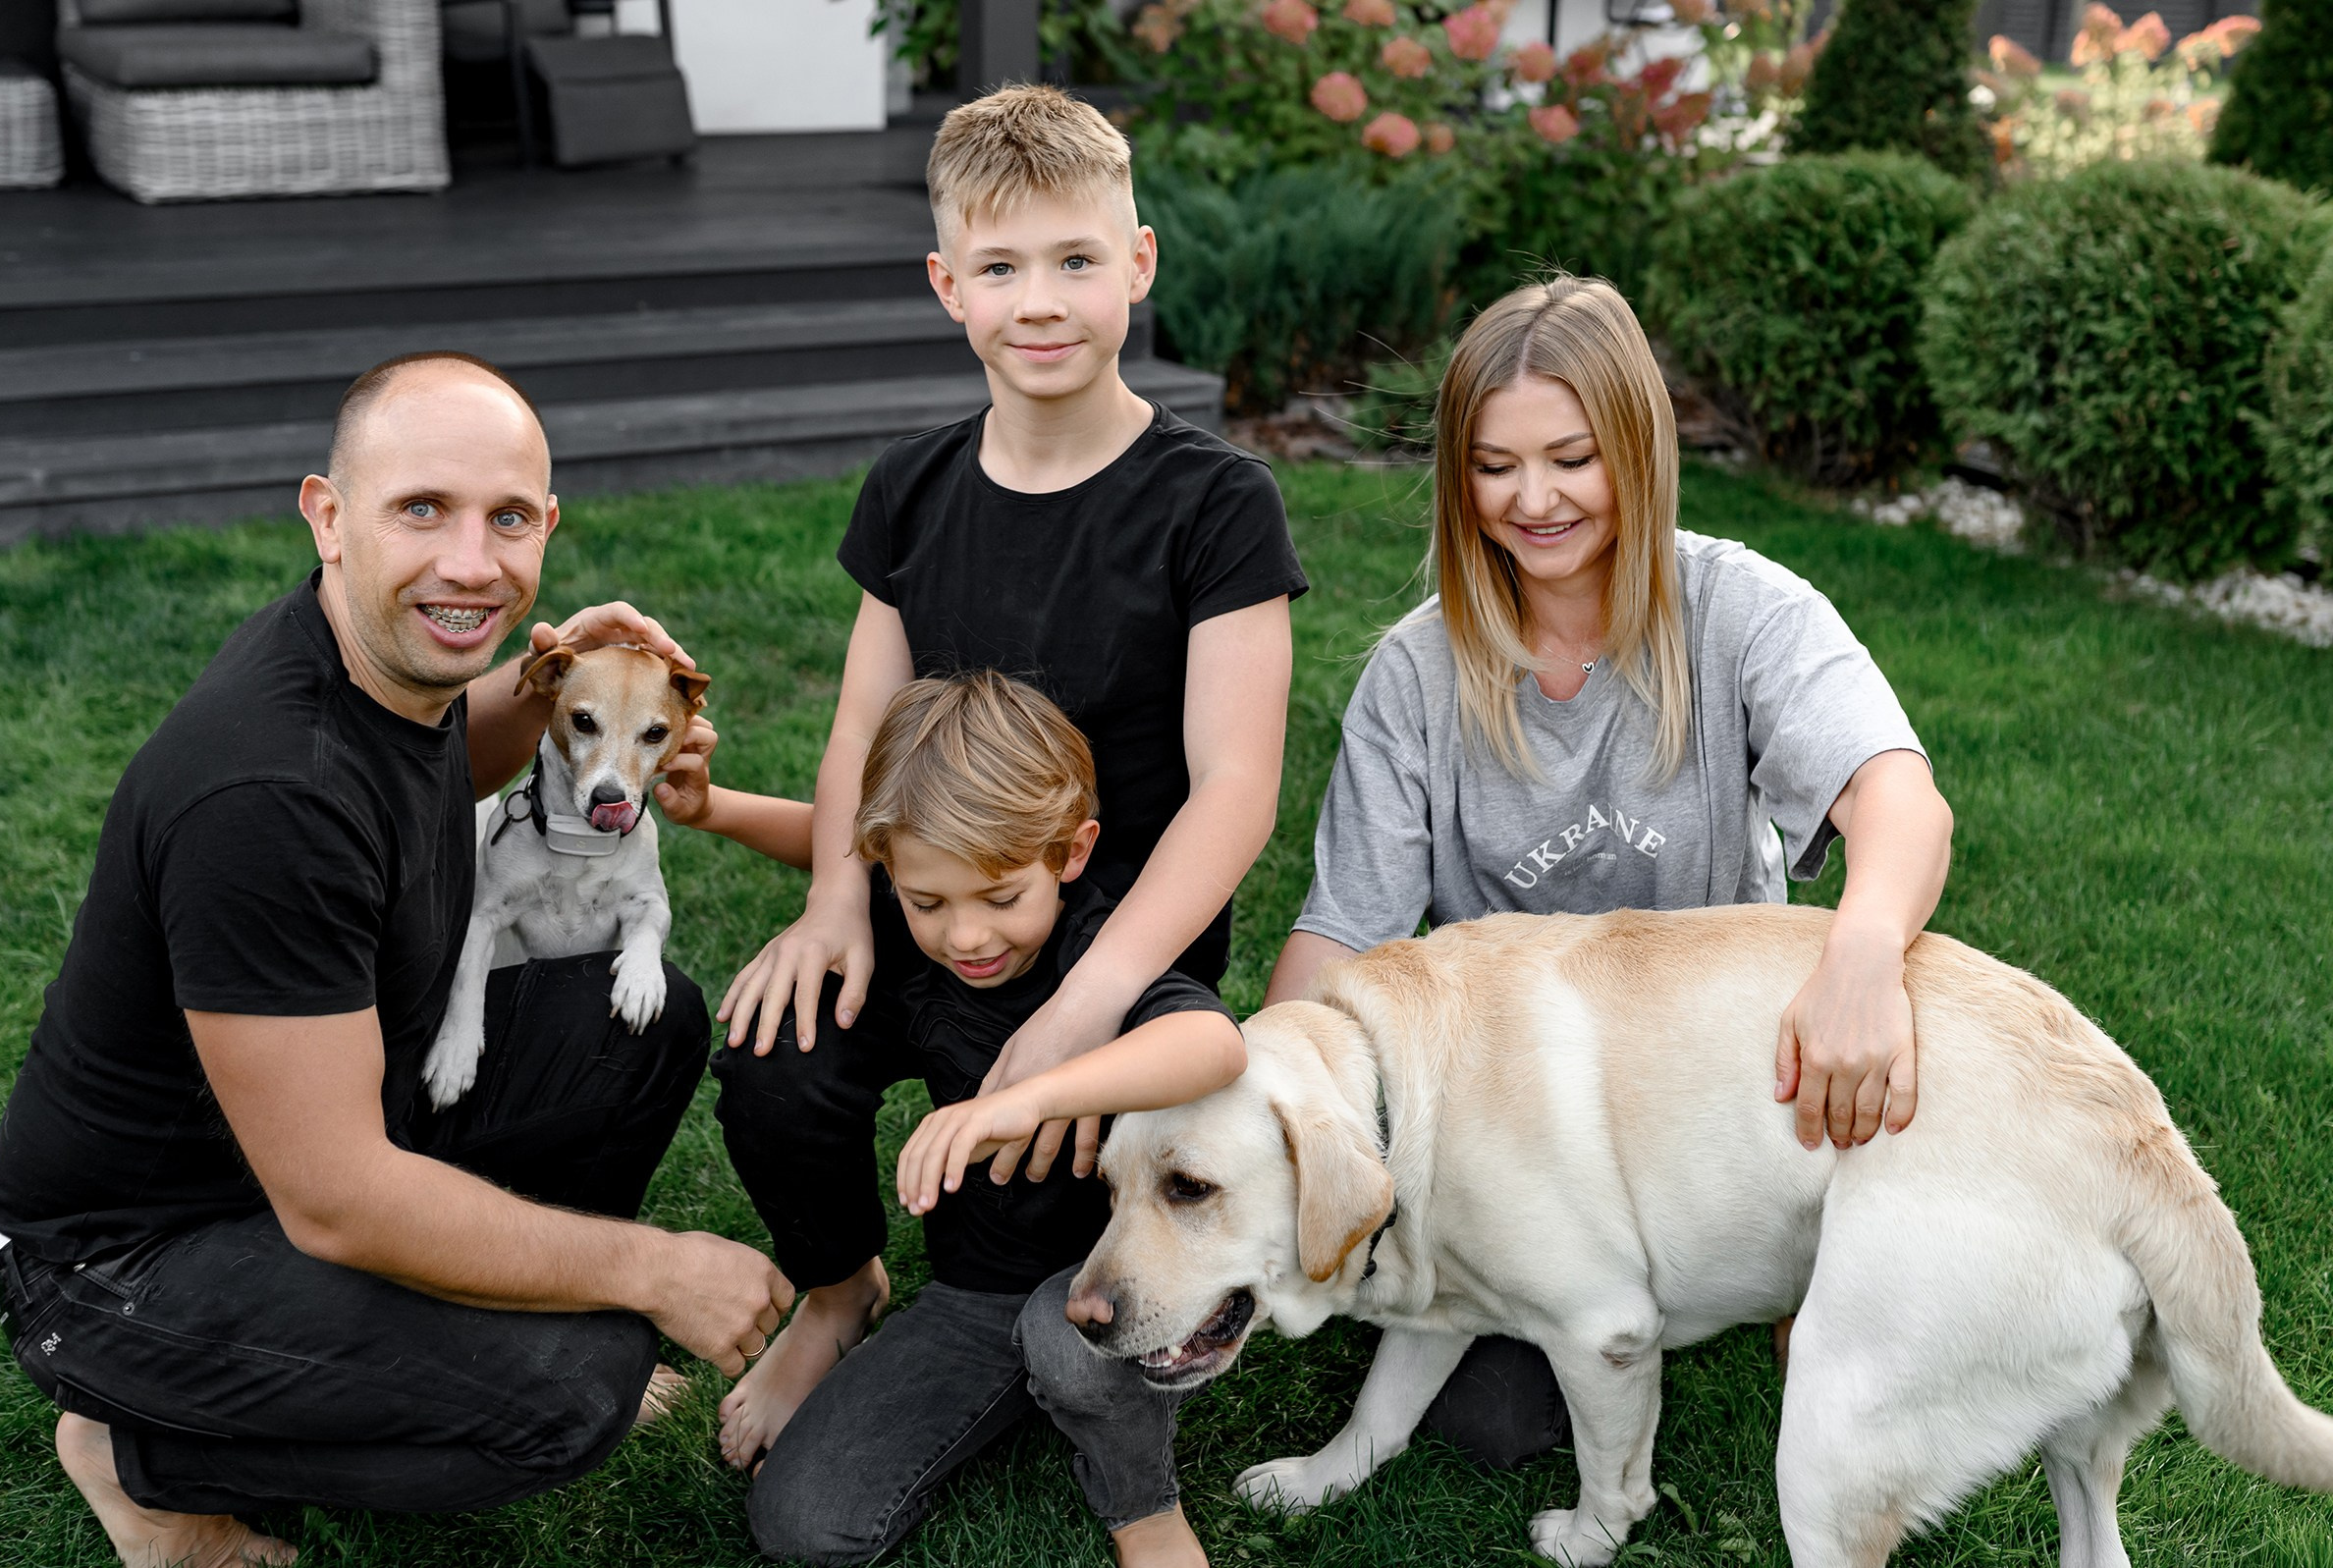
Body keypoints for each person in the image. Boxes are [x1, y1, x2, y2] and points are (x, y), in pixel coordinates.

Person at [0, 351, 797, 1568]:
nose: (471, 562)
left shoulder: (394, 668)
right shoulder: (265, 789)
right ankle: (138, 1447)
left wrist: (557, 682)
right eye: (423, 508)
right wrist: (655, 1269)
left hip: (325, 1129)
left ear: (547, 531)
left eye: (507, 518)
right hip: (124, 1258)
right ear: (329, 516)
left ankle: (458, 1328)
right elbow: (338, 1197)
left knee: (644, 1024)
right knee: (573, 1389)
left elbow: (439, 765)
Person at [701, 80, 1305, 1531]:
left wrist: (1084, 1007)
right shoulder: (911, 490)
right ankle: (841, 1285)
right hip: (930, 916)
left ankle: (1045, 1324)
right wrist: (838, 905)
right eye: (1001, 267)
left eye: (1076, 261)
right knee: (776, 1053)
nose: (1041, 303)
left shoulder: (1212, 503)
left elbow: (1238, 787)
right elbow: (862, 718)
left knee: (1025, 1227)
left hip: (1111, 946)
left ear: (1138, 264)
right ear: (947, 285)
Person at [1264, 278, 1955, 1470]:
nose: (1533, 500)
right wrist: (1261, 1105)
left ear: (1636, 446)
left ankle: (1785, 1257)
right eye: (1494, 466)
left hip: (1712, 1090)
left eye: (1573, 457)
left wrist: (1861, 951)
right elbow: (1343, 939)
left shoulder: (1738, 608)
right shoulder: (1417, 675)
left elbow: (1898, 794)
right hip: (1519, 1120)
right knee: (1493, 1427)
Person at [708, 671, 1246, 1566]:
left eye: (1001, 898)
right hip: (978, 1287)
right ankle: (852, 1300)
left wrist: (1030, 1095)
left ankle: (1140, 1499)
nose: (965, 936)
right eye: (928, 903)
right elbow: (833, 840)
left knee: (1065, 1345)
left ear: (1071, 855)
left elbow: (1215, 1043)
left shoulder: (1094, 950)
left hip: (1114, 1272)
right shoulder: (918, 932)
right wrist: (714, 807)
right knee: (803, 1524)